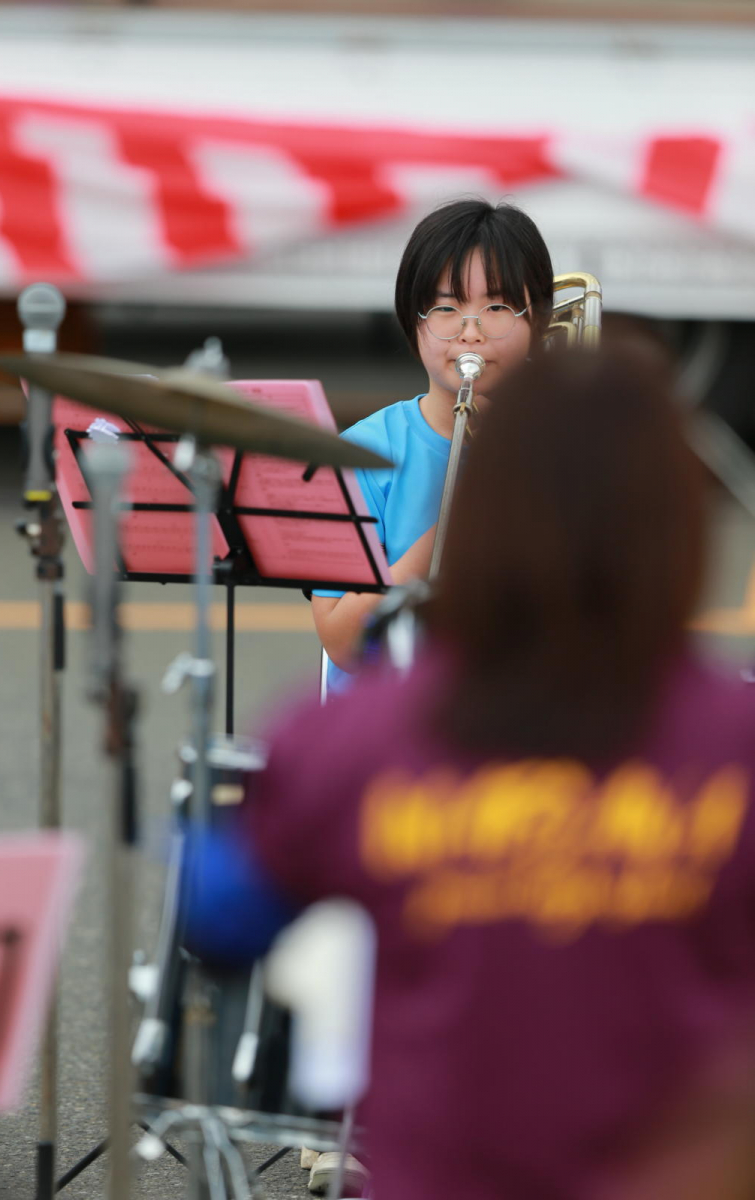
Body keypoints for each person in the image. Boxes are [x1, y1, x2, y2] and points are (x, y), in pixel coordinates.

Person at [183, 341, 755, 1200]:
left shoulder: (354, 738)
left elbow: (215, 913)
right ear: (680, 524)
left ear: (479, 513)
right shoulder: (735, 738)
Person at [312, 197, 553, 692]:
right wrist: (462, 517)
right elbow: (343, 643)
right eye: (446, 308)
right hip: (391, 717)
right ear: (414, 320)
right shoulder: (362, 453)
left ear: (538, 320)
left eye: (498, 307)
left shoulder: (569, 448)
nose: (471, 332)